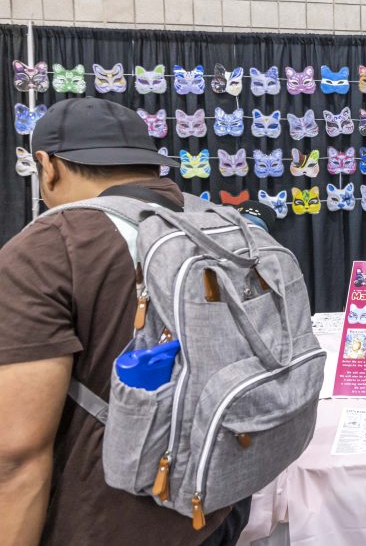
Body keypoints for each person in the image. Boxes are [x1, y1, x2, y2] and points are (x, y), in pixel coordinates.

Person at [0, 98, 247, 545]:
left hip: (109, 521)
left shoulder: (49, 248)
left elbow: (17, 456)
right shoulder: (219, 224)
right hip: (217, 499)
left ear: (47, 166)